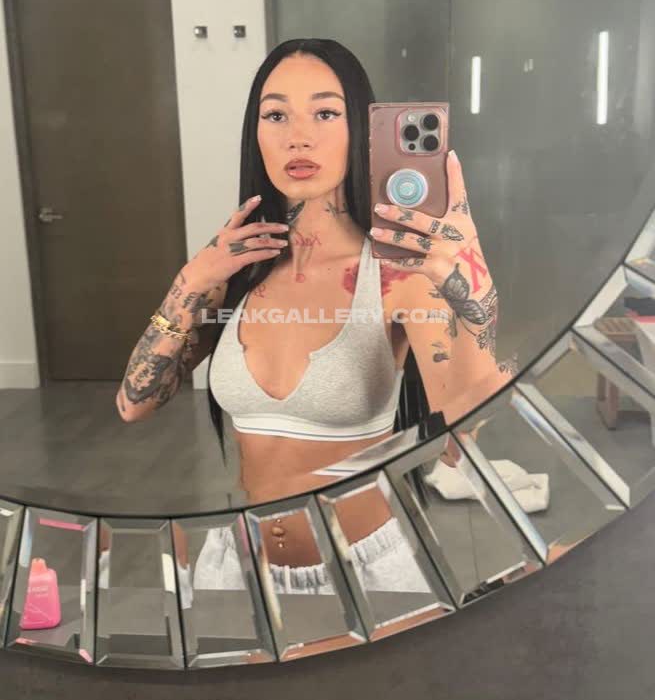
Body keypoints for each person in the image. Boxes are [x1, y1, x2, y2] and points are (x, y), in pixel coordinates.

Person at [116, 38, 516, 587]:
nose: (297, 136)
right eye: (276, 115)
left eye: (326, 113)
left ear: (364, 129)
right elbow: (134, 404)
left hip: (366, 570)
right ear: (256, 134)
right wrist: (189, 282)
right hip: (237, 564)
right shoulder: (238, 268)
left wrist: (470, 284)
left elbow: (461, 434)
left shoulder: (399, 273)